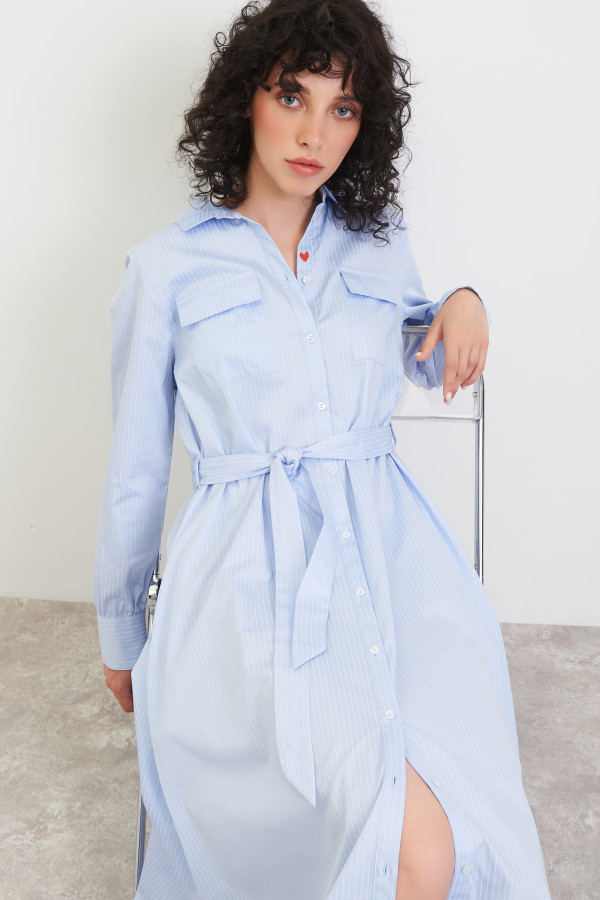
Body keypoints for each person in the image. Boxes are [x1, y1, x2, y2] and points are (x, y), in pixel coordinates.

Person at [93, 1, 552, 897]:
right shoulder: (166, 269)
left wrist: (462, 302)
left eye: (342, 108)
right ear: (246, 100)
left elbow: (422, 351)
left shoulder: (377, 245)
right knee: (404, 843)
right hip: (245, 591)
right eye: (292, 96)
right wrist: (121, 633)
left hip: (392, 566)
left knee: (448, 827)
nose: (314, 134)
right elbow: (135, 471)